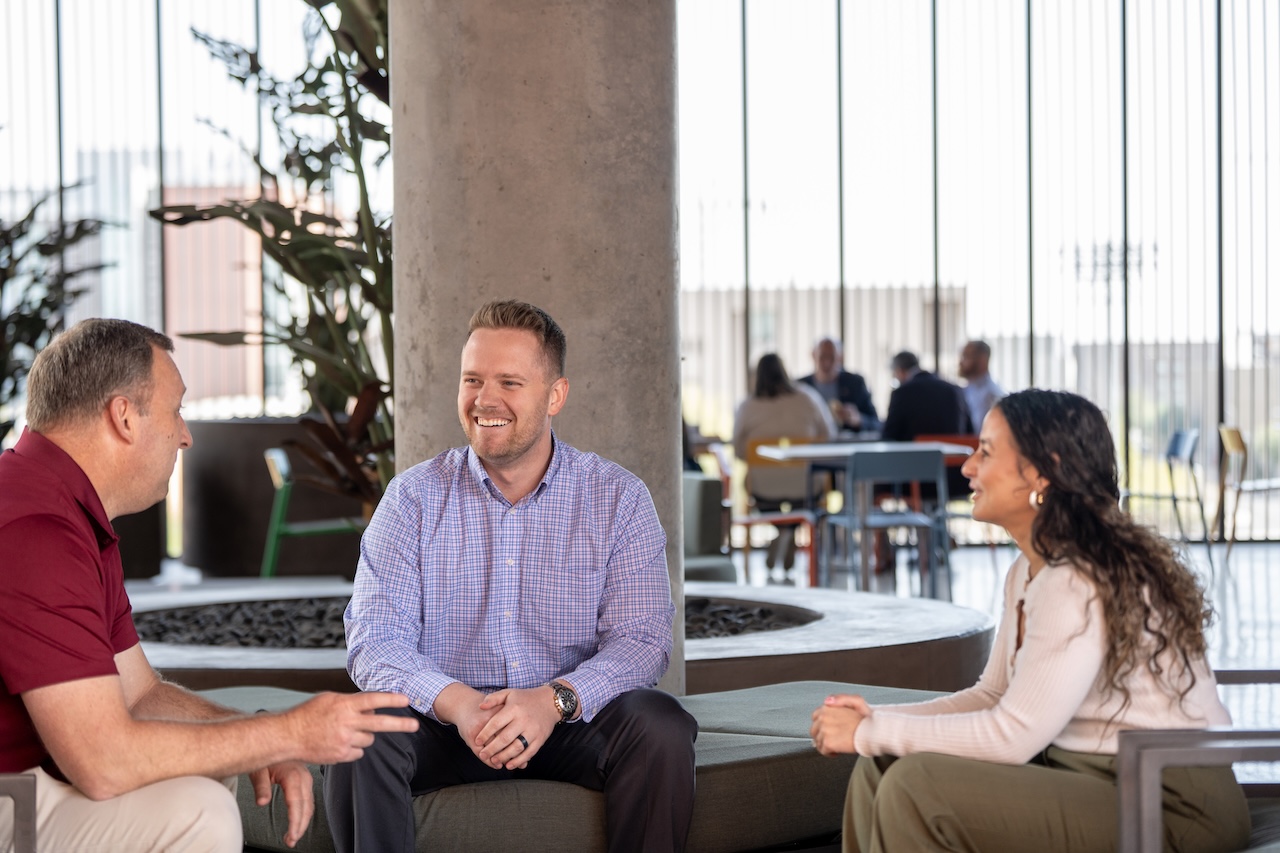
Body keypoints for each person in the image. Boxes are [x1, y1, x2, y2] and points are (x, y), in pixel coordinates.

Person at [0, 318, 418, 853]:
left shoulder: (61, 511)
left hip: (24, 788)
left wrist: (257, 733)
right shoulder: (36, 532)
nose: (185, 433)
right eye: (176, 409)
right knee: (196, 810)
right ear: (124, 417)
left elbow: (142, 694)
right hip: (12, 799)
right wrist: (288, 734)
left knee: (202, 775)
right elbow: (103, 762)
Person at [324, 299, 697, 853]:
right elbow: (376, 644)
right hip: (447, 725)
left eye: (509, 382)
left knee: (660, 725)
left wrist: (552, 702)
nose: (485, 399)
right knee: (362, 731)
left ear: (555, 396)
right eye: (472, 379)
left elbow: (641, 643)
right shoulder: (411, 500)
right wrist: (463, 706)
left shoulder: (618, 498)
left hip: (569, 722)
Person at [810, 389, 1250, 853]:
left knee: (917, 788)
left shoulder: (1078, 576)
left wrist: (868, 731)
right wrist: (876, 720)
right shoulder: (1029, 569)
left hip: (1169, 804)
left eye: (986, 451)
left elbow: (1013, 735)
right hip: (1084, 775)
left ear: (1041, 471)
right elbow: (992, 696)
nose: (968, 468)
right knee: (879, 763)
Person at [734, 353, 837, 570]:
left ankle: (782, 531)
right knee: (809, 498)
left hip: (764, 485)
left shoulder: (748, 406)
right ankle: (789, 531)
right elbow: (828, 437)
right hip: (806, 484)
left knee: (759, 494)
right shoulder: (808, 398)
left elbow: (739, 451)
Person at [879, 350, 971, 442]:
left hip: (915, 455)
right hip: (955, 454)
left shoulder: (901, 393)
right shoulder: (954, 390)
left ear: (899, 371)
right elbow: (969, 431)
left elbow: (889, 435)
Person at [797, 337, 881, 433]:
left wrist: (858, 419)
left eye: (831, 357)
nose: (827, 362)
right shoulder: (801, 386)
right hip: (812, 444)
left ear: (840, 358)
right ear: (813, 356)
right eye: (822, 357)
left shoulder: (855, 383)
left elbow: (876, 423)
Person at [958, 339, 1006, 432]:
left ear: (982, 360)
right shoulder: (965, 390)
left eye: (966, 356)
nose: (960, 362)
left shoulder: (993, 394)